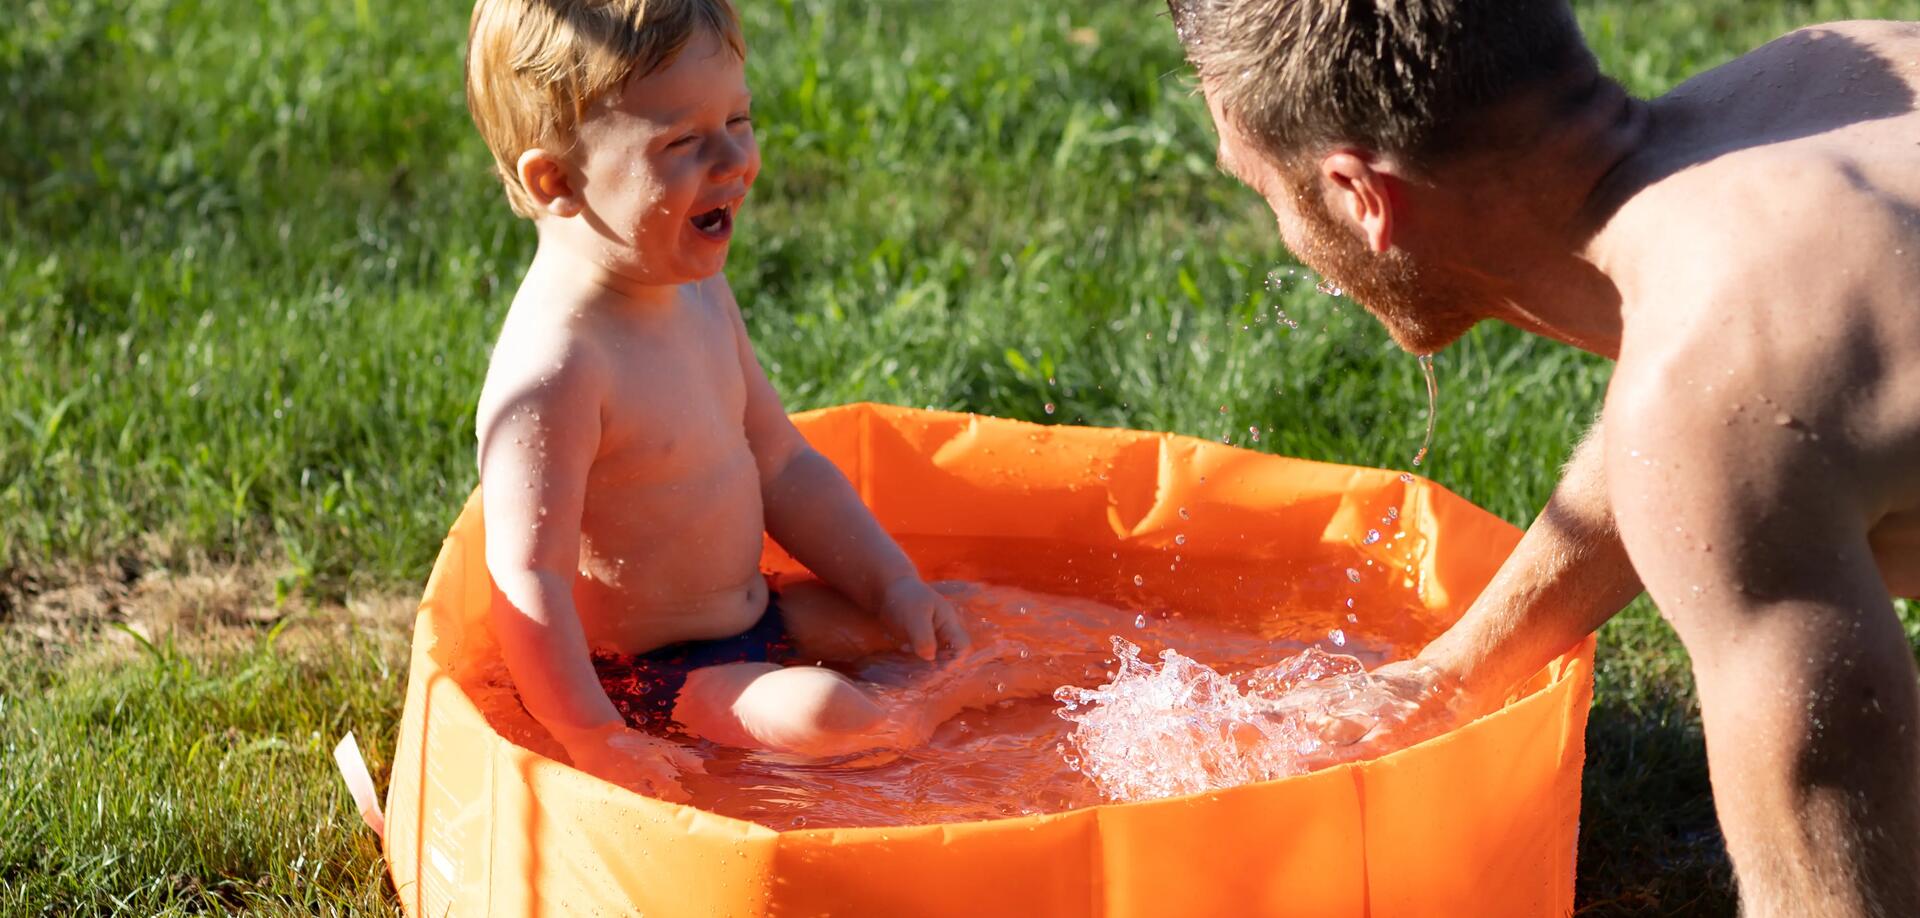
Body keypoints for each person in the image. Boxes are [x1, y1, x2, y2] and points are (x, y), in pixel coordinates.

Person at [1165, 2, 1920, 913]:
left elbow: (1841, 891)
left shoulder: (1719, 396)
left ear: (1359, 197)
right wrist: (1452, 673)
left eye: (1261, 190)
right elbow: (1720, 416)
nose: (1288, 241)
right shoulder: (1831, 77)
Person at [463, 0, 984, 803]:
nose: (735, 159)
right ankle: (952, 746)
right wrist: (592, 734)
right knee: (826, 712)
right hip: (653, 680)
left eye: (739, 118)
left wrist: (893, 585)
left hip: (760, 616)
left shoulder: (696, 293)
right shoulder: (557, 369)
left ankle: (957, 698)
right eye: (682, 142)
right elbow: (527, 582)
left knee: (952, 622)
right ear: (556, 179)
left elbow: (782, 463)